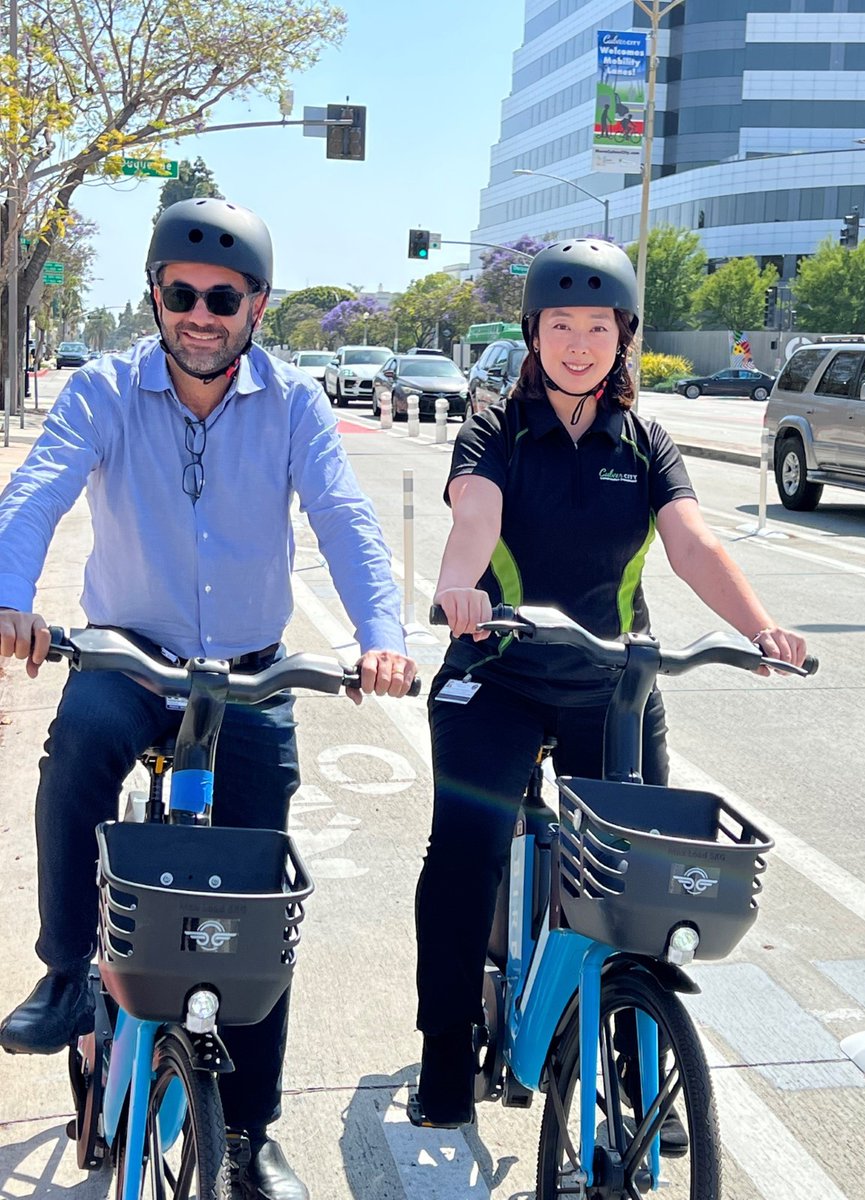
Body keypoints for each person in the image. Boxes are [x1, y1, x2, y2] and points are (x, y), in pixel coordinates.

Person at [0, 198, 416, 1200]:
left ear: (257, 306)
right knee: (81, 748)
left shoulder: (296, 403)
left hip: (248, 676)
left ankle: (249, 1133)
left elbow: (346, 519)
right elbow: (38, 488)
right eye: (180, 294)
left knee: (254, 915)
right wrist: (9, 598)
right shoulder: (103, 390)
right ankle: (65, 972)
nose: (199, 313)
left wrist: (382, 638)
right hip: (128, 660)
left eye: (221, 298)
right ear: (155, 295)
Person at [408, 238, 806, 1131]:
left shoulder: (648, 441)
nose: (578, 344)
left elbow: (693, 544)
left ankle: (637, 1061)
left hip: (613, 685)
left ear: (624, 336)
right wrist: (458, 590)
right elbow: (475, 516)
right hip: (498, 672)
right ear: (533, 333)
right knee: (465, 854)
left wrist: (759, 628)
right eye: (561, 325)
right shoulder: (493, 429)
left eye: (598, 326)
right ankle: (443, 1052)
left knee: (644, 880)